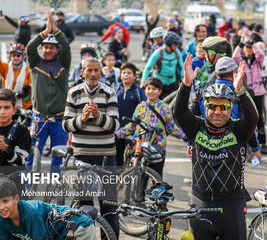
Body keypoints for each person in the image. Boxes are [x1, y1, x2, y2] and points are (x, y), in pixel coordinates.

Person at [174, 55, 258, 240]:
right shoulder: (196, 128)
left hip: (232, 205)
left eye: (223, 106)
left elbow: (252, 118)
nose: (218, 111)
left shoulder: (238, 131)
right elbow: (179, 112)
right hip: (200, 203)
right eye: (212, 106)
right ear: (205, 107)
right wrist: (186, 84)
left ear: (230, 108)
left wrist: (241, 91)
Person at [62, 57, 120, 238]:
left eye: (96, 70)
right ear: (82, 72)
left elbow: (115, 126)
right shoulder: (74, 93)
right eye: (89, 70)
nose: (93, 74)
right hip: (82, 157)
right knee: (84, 206)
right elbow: (66, 125)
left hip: (106, 157)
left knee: (109, 205)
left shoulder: (109, 92)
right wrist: (83, 118)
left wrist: (97, 115)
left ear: (100, 72)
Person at [190, 56, 262, 160]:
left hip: (205, 146)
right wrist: (255, 149)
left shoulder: (202, 92)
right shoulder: (241, 95)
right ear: (234, 74)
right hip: (233, 147)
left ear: (215, 74)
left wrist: (190, 141)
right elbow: (250, 124)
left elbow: (191, 119)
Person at [25, 12, 70, 172]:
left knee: (58, 158)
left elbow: (65, 45)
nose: (48, 50)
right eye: (45, 47)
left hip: (59, 119)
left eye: (51, 47)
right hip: (39, 118)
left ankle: (55, 191)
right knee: (31, 155)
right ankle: (28, 188)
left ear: (56, 50)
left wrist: (55, 29)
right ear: (42, 48)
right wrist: (45, 31)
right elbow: (30, 47)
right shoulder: (35, 64)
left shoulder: (63, 64)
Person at [116, 76, 184, 178]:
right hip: (140, 147)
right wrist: (117, 134)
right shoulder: (140, 107)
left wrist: (185, 136)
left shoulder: (164, 108)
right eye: (148, 88)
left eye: (154, 89)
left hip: (157, 147)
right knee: (139, 178)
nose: (151, 91)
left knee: (156, 178)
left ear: (159, 91)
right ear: (145, 90)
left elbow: (171, 127)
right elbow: (132, 125)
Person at [0, 177, 96, 240]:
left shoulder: (31, 214)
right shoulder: (2, 218)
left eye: (5, 201)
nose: (1, 207)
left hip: (78, 227)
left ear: (16, 199)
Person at [233, 40, 267, 153]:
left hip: (258, 93)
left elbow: (261, 54)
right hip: (246, 92)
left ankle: (263, 143)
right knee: (247, 117)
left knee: (260, 119)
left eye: (250, 48)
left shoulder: (258, 61)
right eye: (246, 48)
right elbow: (234, 56)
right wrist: (240, 44)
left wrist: (254, 45)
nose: (248, 50)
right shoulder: (240, 60)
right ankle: (249, 142)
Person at [114, 62, 146, 166]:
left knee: (133, 158)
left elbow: (144, 109)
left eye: (129, 73)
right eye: (123, 73)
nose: (126, 75)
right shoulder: (115, 88)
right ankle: (118, 179)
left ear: (134, 76)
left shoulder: (138, 91)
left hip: (132, 130)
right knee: (117, 156)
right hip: (117, 129)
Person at [0, 89, 31, 183]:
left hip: (13, 183)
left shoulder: (22, 131)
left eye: (7, 108)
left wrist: (6, 148)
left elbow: (20, 162)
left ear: (14, 110)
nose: (2, 112)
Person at [141, 31, 184, 98]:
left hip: (173, 82)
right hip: (159, 83)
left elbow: (182, 67)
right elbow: (148, 68)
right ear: (169, 44)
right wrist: (143, 81)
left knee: (174, 104)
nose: (177, 46)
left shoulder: (177, 52)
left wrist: (183, 77)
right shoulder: (158, 52)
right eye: (175, 45)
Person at [0, 44, 31, 109]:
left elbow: (32, 83)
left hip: (24, 104)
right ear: (10, 56)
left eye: (18, 55)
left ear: (23, 56)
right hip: (8, 103)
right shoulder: (6, 67)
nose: (15, 57)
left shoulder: (28, 69)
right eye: (13, 55)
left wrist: (28, 87)